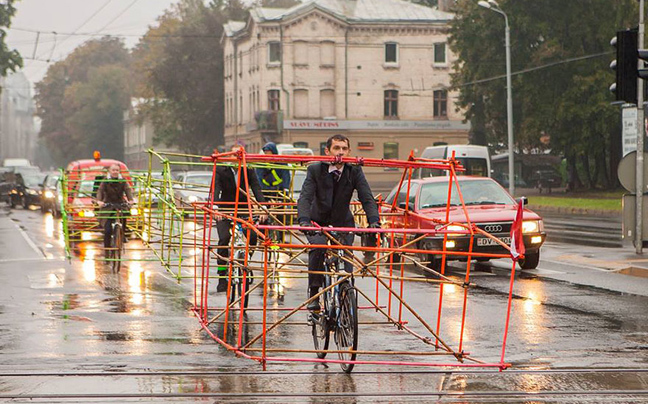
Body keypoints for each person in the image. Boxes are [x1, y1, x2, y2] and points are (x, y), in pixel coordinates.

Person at [297, 134, 381, 312]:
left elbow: (367, 197)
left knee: (345, 256)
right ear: (327, 151)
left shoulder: (354, 170)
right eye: (336, 148)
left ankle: (345, 293)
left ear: (349, 151)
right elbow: (305, 198)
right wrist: (304, 221)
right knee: (318, 249)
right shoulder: (315, 170)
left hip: (343, 222)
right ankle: (314, 292)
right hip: (317, 222)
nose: (340, 153)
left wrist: (374, 221)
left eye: (344, 149)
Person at [214, 144, 267, 293]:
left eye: (240, 155)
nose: (237, 158)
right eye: (234, 155)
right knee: (224, 239)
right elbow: (216, 189)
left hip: (243, 209)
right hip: (225, 210)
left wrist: (263, 207)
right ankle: (222, 275)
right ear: (229, 156)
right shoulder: (220, 170)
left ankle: (245, 262)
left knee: (253, 237)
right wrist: (215, 208)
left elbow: (256, 188)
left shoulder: (248, 169)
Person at [96, 164, 134, 249]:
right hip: (108, 205)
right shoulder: (105, 181)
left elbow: (128, 190)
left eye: (117, 170)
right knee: (108, 229)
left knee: (124, 216)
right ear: (109, 171)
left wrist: (130, 200)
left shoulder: (122, 181)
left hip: (120, 203)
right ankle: (107, 249)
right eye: (113, 170)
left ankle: (122, 234)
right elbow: (100, 191)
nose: (115, 172)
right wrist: (99, 201)